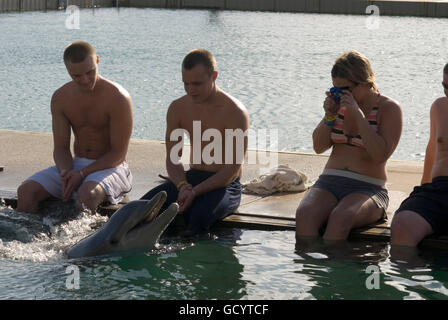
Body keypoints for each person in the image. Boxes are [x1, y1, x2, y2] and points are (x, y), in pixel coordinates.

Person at [140, 49, 250, 236]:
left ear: (214, 76)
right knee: (142, 210)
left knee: (198, 218)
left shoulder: (235, 112)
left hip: (225, 185)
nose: (191, 89)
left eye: (197, 84)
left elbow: (231, 171)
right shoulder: (178, 108)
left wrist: (194, 192)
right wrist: (183, 186)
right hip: (191, 179)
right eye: (186, 83)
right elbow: (173, 159)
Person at [295, 51, 402, 241]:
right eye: (334, 89)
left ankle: (337, 269)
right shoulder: (340, 105)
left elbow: (380, 155)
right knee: (305, 216)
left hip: (368, 187)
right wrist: (329, 115)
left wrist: (358, 114)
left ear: (364, 83)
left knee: (341, 218)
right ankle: (311, 268)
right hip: (329, 181)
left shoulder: (389, 108)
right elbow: (318, 147)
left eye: (344, 89)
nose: (338, 94)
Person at [17, 41, 133, 213]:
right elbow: (61, 148)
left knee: (87, 195)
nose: (85, 80)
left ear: (97, 61)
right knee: (26, 192)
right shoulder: (60, 98)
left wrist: (82, 174)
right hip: (76, 165)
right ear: (67, 71)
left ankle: (85, 240)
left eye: (90, 72)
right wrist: (66, 173)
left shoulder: (118, 98)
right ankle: (30, 237)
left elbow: (118, 154)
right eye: (77, 76)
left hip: (111, 167)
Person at [391, 63, 448, 247]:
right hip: (439, 189)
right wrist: (424, 187)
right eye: (445, 87)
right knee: (402, 223)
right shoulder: (440, 106)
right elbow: (433, 147)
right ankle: (407, 273)